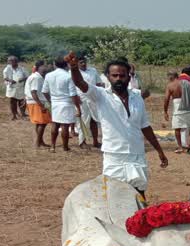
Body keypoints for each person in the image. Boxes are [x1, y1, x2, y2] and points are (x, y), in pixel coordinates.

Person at [66, 53, 169, 197]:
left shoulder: (137, 96)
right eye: (114, 75)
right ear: (108, 76)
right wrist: (74, 67)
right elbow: (80, 83)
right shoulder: (101, 95)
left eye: (122, 75)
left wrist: (160, 151)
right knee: (114, 195)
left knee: (139, 193)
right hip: (114, 156)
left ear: (129, 76)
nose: (118, 79)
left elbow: (145, 126)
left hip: (137, 154)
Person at [42, 56, 82, 152]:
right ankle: (65, 147)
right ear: (66, 65)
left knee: (55, 124)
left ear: (55, 65)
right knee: (65, 126)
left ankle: (52, 146)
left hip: (55, 103)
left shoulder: (48, 75)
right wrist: (78, 107)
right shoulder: (68, 76)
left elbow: (44, 91)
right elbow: (73, 94)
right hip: (66, 103)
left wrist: (50, 101)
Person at [164, 71, 190, 154]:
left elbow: (166, 99)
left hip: (177, 109)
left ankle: (180, 147)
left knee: (177, 128)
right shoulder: (186, 83)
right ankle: (188, 143)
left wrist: (165, 111)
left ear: (171, 77)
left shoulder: (170, 85)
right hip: (188, 107)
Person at [77, 56, 104, 148]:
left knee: (94, 120)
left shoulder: (93, 70)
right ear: (77, 63)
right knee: (84, 120)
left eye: (84, 62)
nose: (83, 64)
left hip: (93, 98)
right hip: (81, 99)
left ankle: (95, 141)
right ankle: (82, 142)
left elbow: (99, 83)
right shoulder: (73, 73)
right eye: (81, 62)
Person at [24, 63, 51, 148]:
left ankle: (40, 142)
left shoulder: (39, 77)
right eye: (43, 65)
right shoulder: (36, 77)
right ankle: (37, 143)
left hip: (38, 102)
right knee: (42, 123)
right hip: (37, 102)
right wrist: (41, 105)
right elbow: (33, 92)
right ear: (38, 67)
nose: (45, 67)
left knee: (40, 123)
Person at [3, 56, 28, 120]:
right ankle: (14, 115)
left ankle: (22, 114)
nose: (10, 62)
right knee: (12, 101)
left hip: (20, 87)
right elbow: (5, 77)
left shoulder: (22, 68)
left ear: (16, 61)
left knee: (21, 101)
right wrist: (10, 80)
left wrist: (22, 79)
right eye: (9, 61)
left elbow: (27, 76)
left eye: (12, 61)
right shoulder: (7, 69)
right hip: (11, 87)